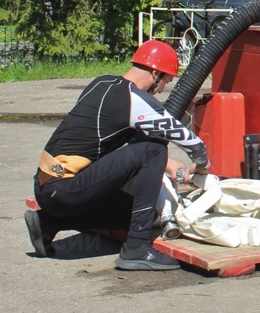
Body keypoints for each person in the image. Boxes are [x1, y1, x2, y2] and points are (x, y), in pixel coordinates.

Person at [25, 40, 210, 270]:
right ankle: (137, 249)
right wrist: (202, 166)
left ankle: (47, 223)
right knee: (154, 149)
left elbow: (118, 140)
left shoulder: (100, 83)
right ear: (155, 73)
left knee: (132, 214)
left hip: (46, 187)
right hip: (66, 190)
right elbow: (192, 143)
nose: (163, 90)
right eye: (166, 82)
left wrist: (169, 164)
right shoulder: (135, 100)